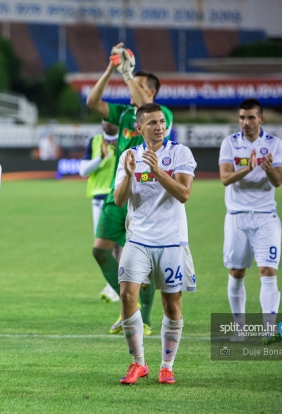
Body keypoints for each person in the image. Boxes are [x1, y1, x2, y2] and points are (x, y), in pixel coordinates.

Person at [86, 43, 174, 335]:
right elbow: (92, 101)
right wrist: (112, 68)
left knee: (141, 264)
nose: (131, 87)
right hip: (118, 193)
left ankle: (143, 321)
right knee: (100, 251)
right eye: (130, 82)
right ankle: (130, 307)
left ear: (152, 92)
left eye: (138, 84)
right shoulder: (125, 115)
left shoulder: (162, 115)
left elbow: (145, 104)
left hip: (146, 198)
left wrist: (127, 75)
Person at [113, 103, 196, 385]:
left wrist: (158, 171)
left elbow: (184, 194)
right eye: (152, 123)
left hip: (171, 240)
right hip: (138, 238)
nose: (159, 127)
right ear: (139, 128)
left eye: (161, 122)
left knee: (171, 304)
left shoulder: (180, 153)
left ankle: (167, 366)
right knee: (127, 296)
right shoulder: (129, 156)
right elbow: (119, 200)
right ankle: (138, 363)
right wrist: (128, 175)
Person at [218, 99, 282, 344]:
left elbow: (278, 180)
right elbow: (225, 178)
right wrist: (247, 168)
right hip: (237, 216)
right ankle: (240, 329)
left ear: (261, 119)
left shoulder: (275, 144)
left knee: (268, 270)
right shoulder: (230, 143)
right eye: (242, 117)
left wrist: (268, 168)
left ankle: (270, 329)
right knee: (236, 272)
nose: (245, 122)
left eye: (250, 117)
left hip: (266, 216)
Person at [79, 121, 120, 302]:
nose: (106, 122)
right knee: (104, 246)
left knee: (119, 244)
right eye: (103, 119)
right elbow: (83, 171)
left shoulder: (128, 140)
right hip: (99, 199)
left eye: (109, 118)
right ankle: (114, 284)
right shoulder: (95, 141)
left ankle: (115, 286)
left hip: (119, 197)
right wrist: (101, 157)